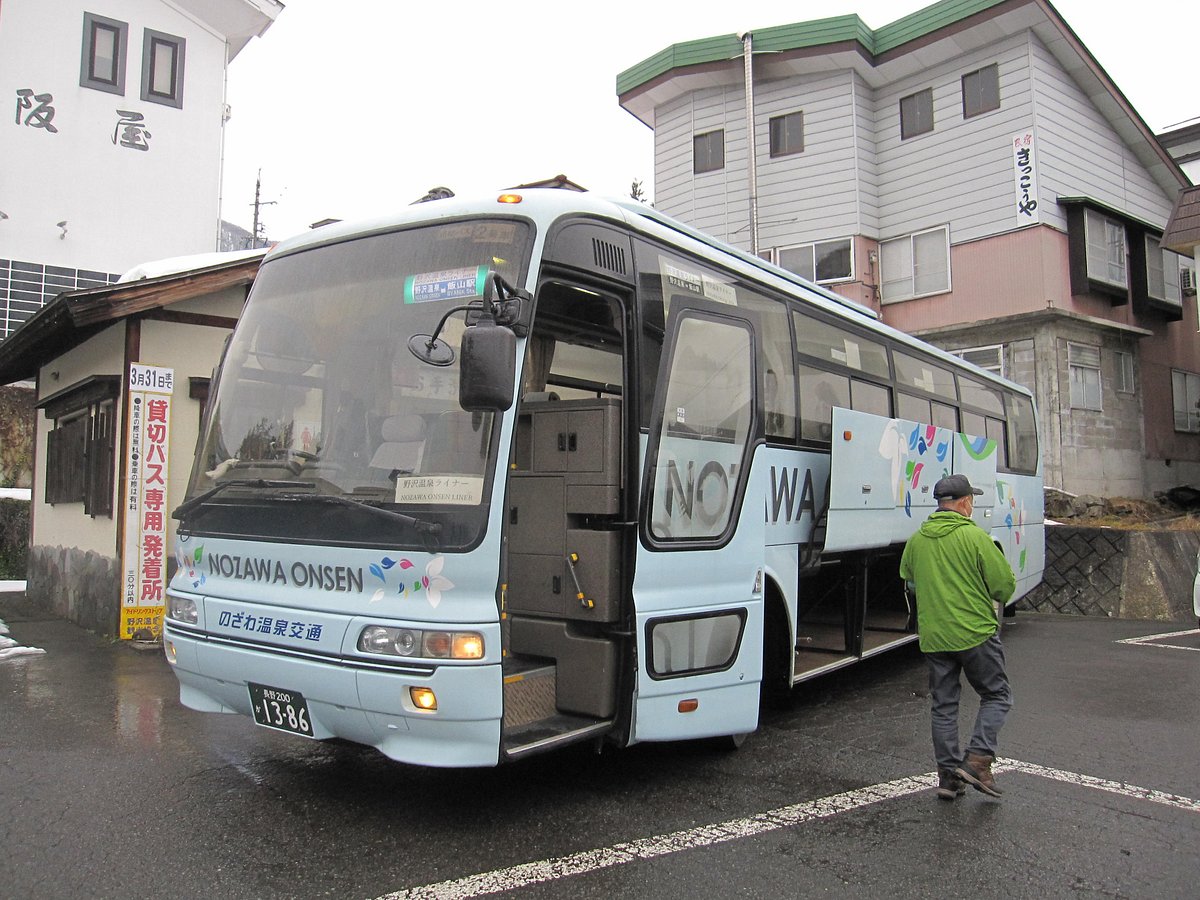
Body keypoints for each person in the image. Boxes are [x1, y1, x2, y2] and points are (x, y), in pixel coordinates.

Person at [899, 473, 1015, 801]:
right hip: (975, 632)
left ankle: (949, 778)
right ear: (965, 503)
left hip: (935, 636)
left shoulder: (917, 540)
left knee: (944, 705)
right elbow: (1003, 586)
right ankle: (978, 760)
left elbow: (907, 578)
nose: (972, 506)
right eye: (972, 501)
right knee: (997, 695)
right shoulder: (974, 537)